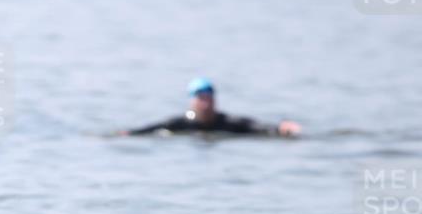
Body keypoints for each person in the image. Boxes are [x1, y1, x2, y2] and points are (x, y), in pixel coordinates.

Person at [121, 78, 302, 137]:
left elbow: (254, 126)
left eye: (209, 98)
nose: (206, 103)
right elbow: (153, 128)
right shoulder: (183, 121)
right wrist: (129, 134)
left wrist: (280, 128)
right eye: (201, 99)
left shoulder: (226, 122)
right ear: (192, 101)